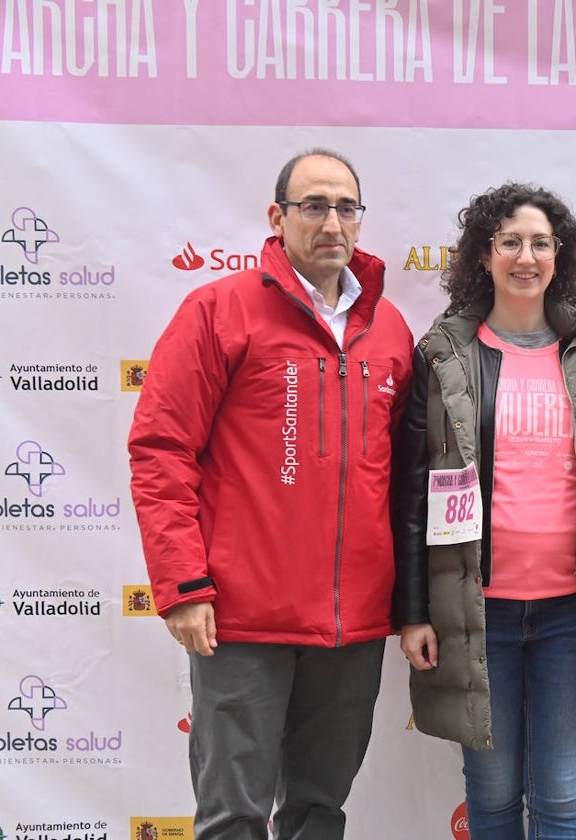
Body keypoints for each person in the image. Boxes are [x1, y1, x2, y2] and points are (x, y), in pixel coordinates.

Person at [128, 149, 414, 840]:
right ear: (277, 217)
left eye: (346, 207)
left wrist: (410, 602)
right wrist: (184, 585)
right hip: (241, 620)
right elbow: (161, 451)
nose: (332, 223)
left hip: (352, 626)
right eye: (314, 206)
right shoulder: (218, 310)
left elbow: (406, 478)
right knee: (233, 818)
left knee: (319, 814)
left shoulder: (392, 330)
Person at [391, 182, 576, 840]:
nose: (526, 256)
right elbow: (414, 490)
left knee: (562, 795)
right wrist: (414, 610)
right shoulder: (444, 355)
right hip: (478, 615)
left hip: (573, 614)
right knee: (495, 793)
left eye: (541, 242)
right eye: (510, 242)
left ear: (560, 255)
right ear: (485, 254)